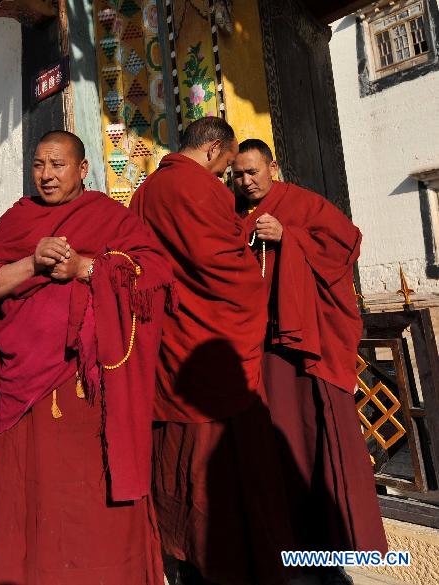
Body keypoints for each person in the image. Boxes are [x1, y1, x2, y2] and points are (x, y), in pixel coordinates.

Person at [0, 130, 174, 585]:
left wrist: (87, 267)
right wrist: (33, 262)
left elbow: (155, 274)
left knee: (86, 494)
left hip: (86, 386)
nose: (46, 175)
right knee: (33, 493)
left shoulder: (107, 216)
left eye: (58, 165)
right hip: (24, 385)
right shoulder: (16, 220)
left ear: (83, 170)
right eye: (39, 165)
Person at [131, 118, 297, 585]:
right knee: (221, 466)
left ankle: (178, 553)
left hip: (171, 342)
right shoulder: (198, 190)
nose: (227, 177)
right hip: (211, 347)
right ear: (211, 151)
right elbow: (226, 270)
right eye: (226, 166)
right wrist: (256, 270)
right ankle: (229, 558)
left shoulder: (146, 192)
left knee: (174, 461)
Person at [233, 139, 387, 579]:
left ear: (272, 167)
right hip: (263, 348)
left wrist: (289, 236)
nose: (246, 181)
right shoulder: (236, 216)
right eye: (238, 175)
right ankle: (288, 546)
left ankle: (336, 553)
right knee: (278, 442)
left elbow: (347, 245)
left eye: (253, 171)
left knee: (316, 437)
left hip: (307, 345)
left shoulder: (299, 203)